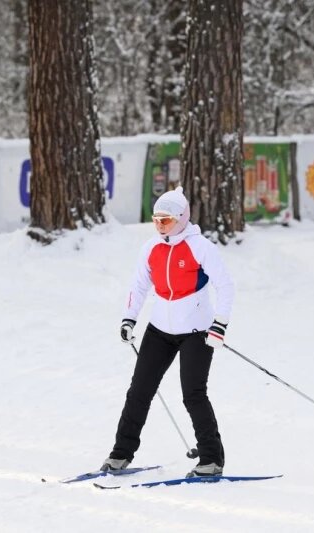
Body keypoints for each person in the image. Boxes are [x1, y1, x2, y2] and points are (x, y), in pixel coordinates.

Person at [101, 186, 235, 478]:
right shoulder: (151, 248)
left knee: (193, 394)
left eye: (167, 220)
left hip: (197, 330)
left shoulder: (201, 247)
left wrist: (219, 324)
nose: (161, 225)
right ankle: (120, 455)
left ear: (182, 218)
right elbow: (139, 286)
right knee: (139, 391)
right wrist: (129, 319)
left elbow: (225, 286)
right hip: (160, 329)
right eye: (157, 220)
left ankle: (211, 459)